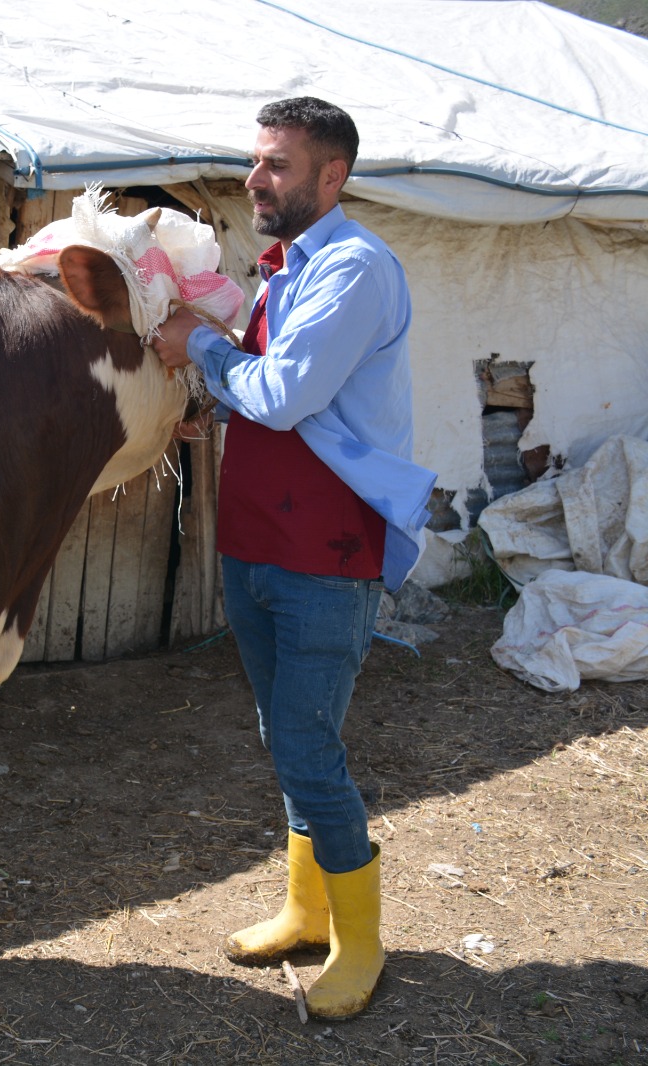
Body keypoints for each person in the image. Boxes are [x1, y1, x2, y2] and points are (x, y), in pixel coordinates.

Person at [152, 96, 435, 1020]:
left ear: (331, 176)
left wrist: (197, 345)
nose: (254, 179)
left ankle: (359, 945)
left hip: (327, 546)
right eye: (255, 160)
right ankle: (307, 910)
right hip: (259, 539)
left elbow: (285, 394)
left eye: (276, 164)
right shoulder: (284, 271)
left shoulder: (354, 269)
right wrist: (212, 404)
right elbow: (266, 391)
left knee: (310, 746)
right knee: (286, 736)